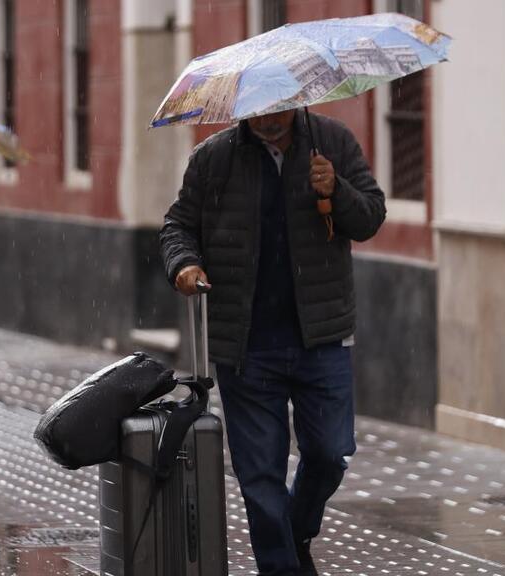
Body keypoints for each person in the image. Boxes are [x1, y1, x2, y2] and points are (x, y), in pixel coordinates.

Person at [160, 109, 385, 575]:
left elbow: (369, 217)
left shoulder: (333, 142)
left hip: (321, 337)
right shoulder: (213, 158)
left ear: (293, 99)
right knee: (260, 478)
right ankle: (281, 565)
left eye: (275, 108)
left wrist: (335, 190)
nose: (265, 119)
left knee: (329, 453)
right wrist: (184, 263)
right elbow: (178, 226)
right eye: (256, 111)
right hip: (246, 345)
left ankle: (297, 530)